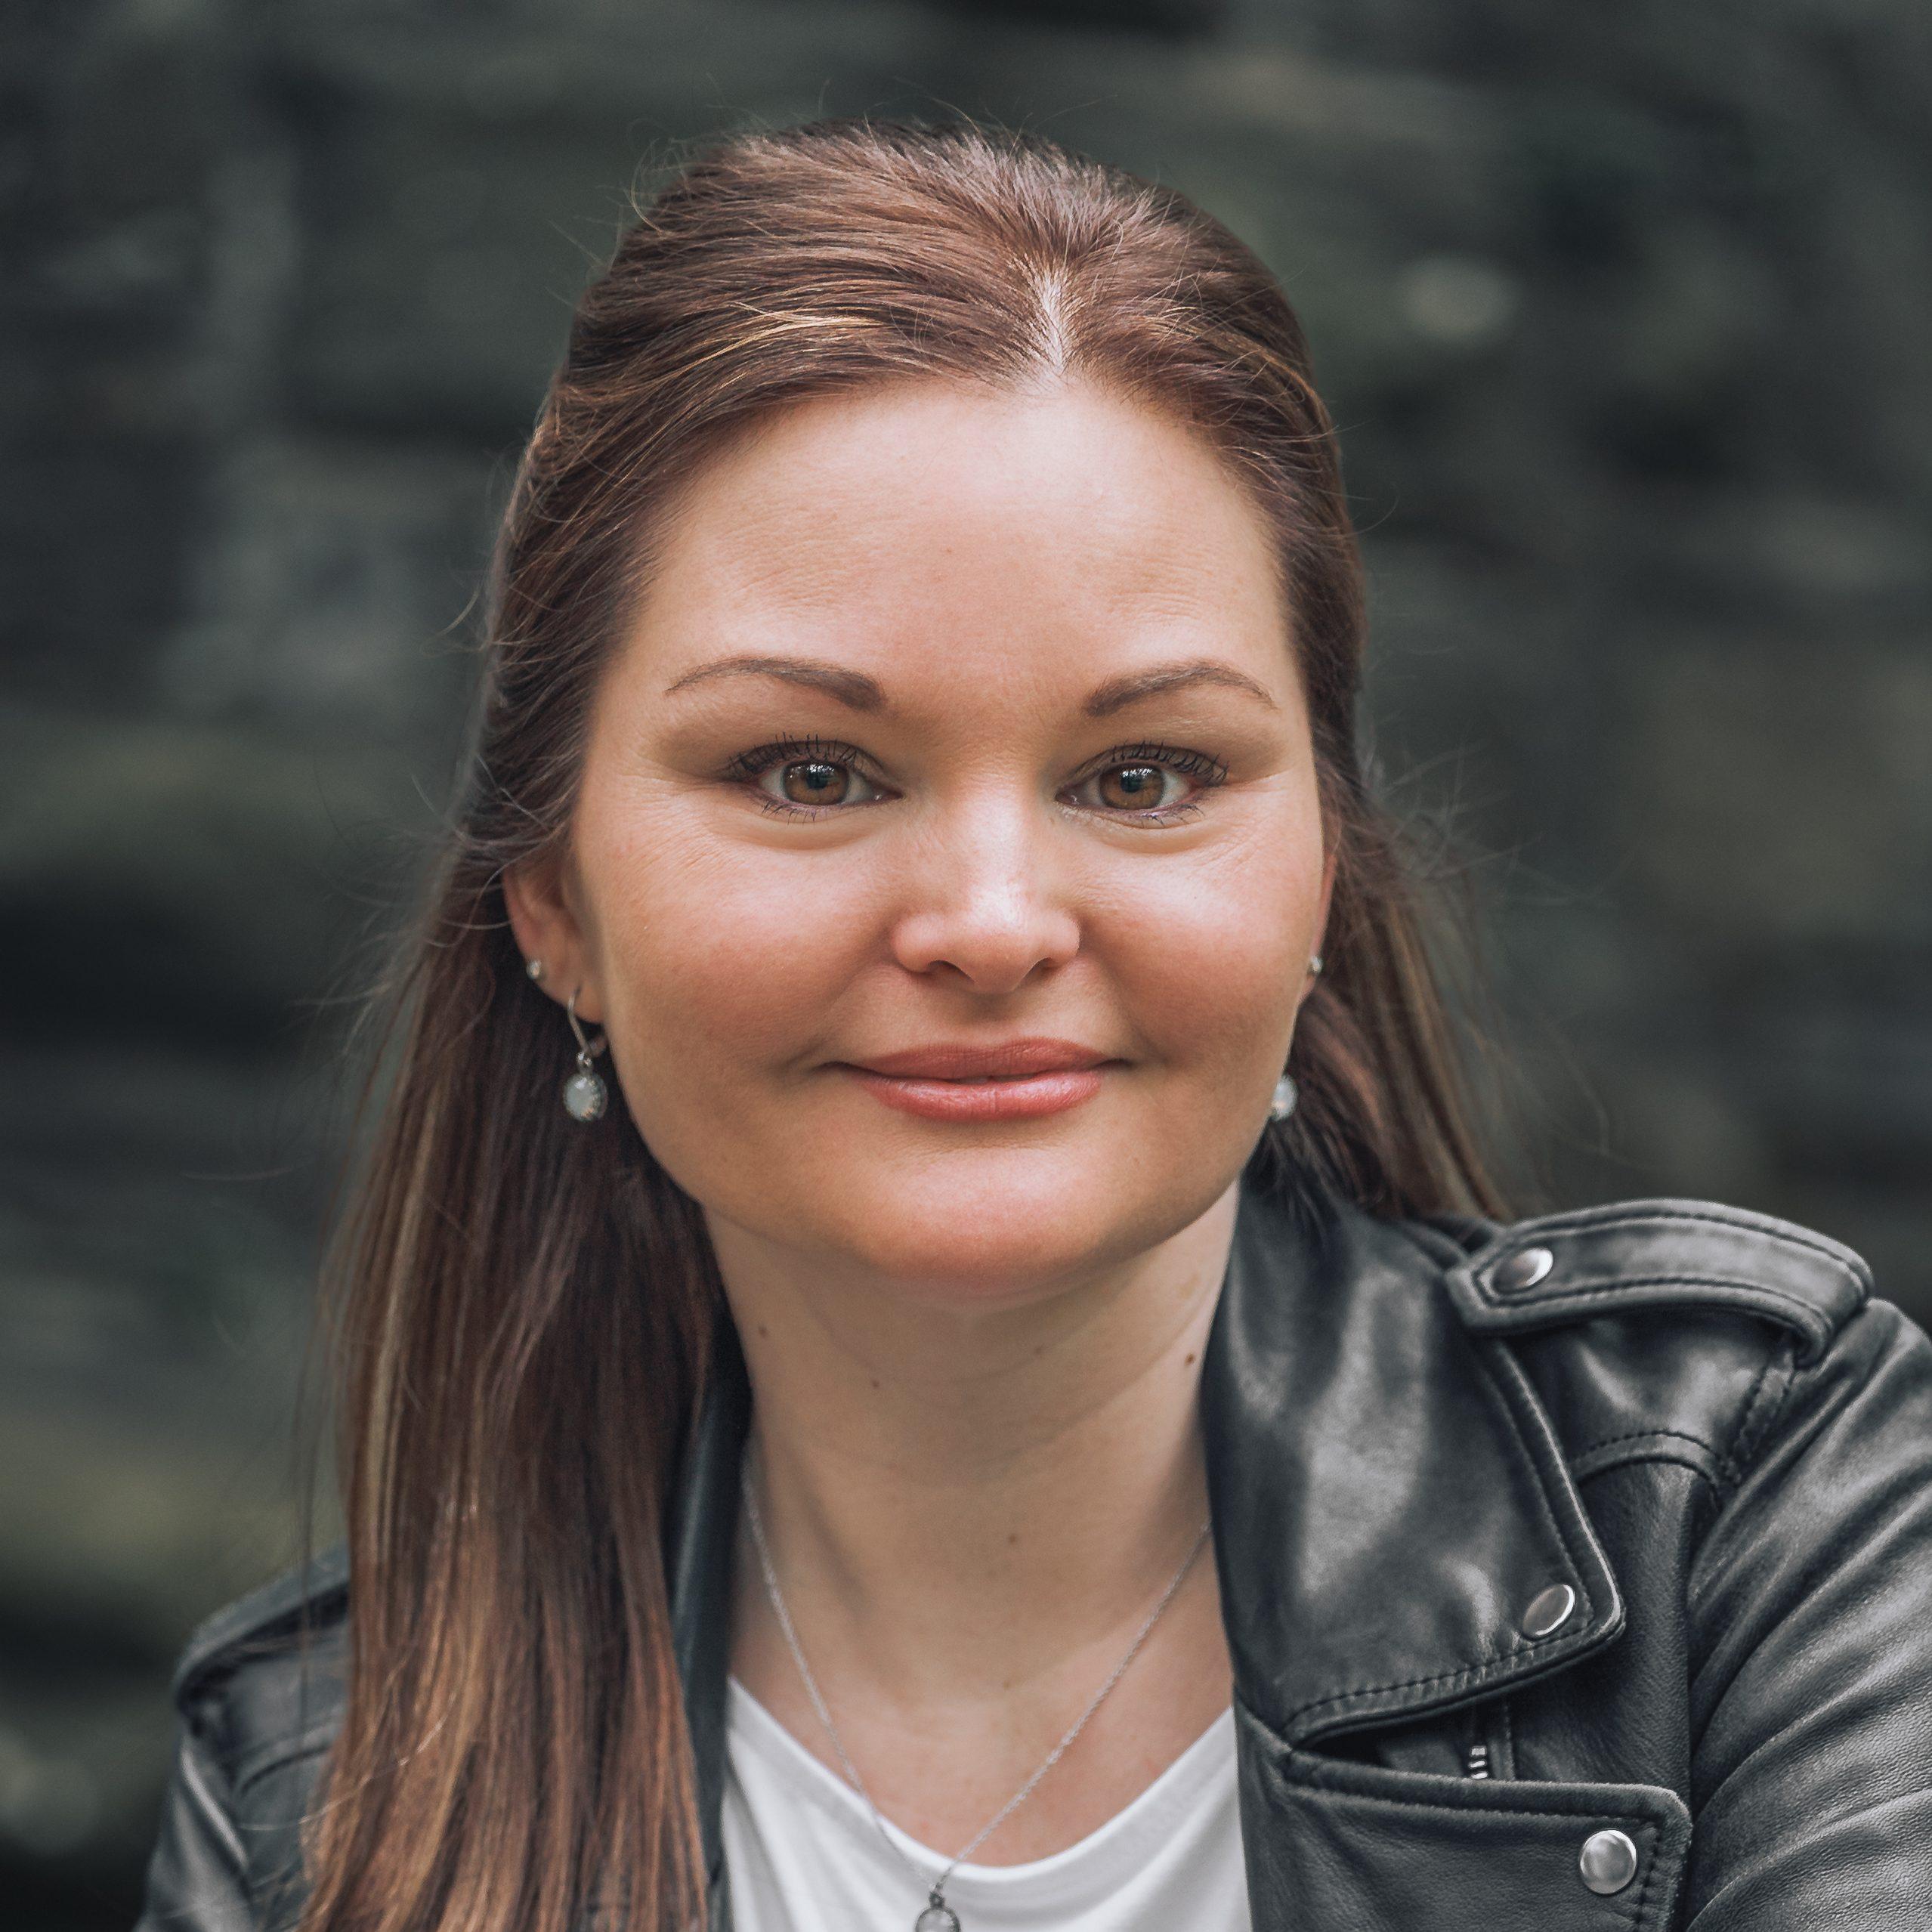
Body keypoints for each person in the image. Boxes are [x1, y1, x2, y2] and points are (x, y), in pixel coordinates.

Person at [133, 116, 1932, 1932]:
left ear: (1323, 873)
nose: (991, 925)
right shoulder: (317, 1790)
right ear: (553, 905)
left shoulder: (1742, 1500)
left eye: (1142, 774)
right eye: (811, 771)